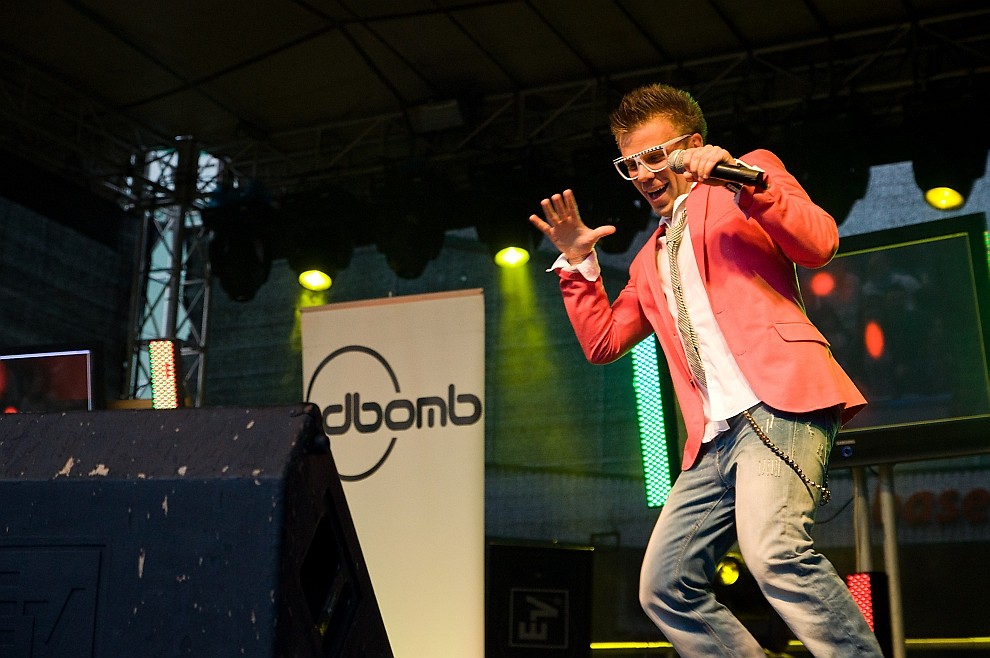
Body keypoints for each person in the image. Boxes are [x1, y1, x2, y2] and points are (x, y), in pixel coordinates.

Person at [528, 83, 883, 656]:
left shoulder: (748, 178)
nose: (643, 175)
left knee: (775, 553)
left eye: (654, 157)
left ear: (692, 145)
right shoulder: (648, 259)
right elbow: (604, 342)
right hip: (713, 441)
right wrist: (577, 261)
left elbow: (820, 243)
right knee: (664, 587)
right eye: (630, 164)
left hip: (779, 402)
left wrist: (739, 178)